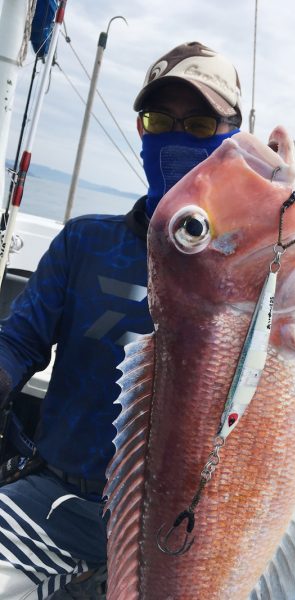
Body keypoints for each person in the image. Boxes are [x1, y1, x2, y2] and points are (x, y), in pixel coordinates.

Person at [0, 41, 243, 599]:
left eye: (201, 123)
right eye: (161, 120)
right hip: (61, 504)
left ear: (233, 134)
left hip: (190, 532)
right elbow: (17, 343)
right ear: (142, 130)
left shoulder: (253, 272)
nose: (176, 137)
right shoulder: (86, 241)